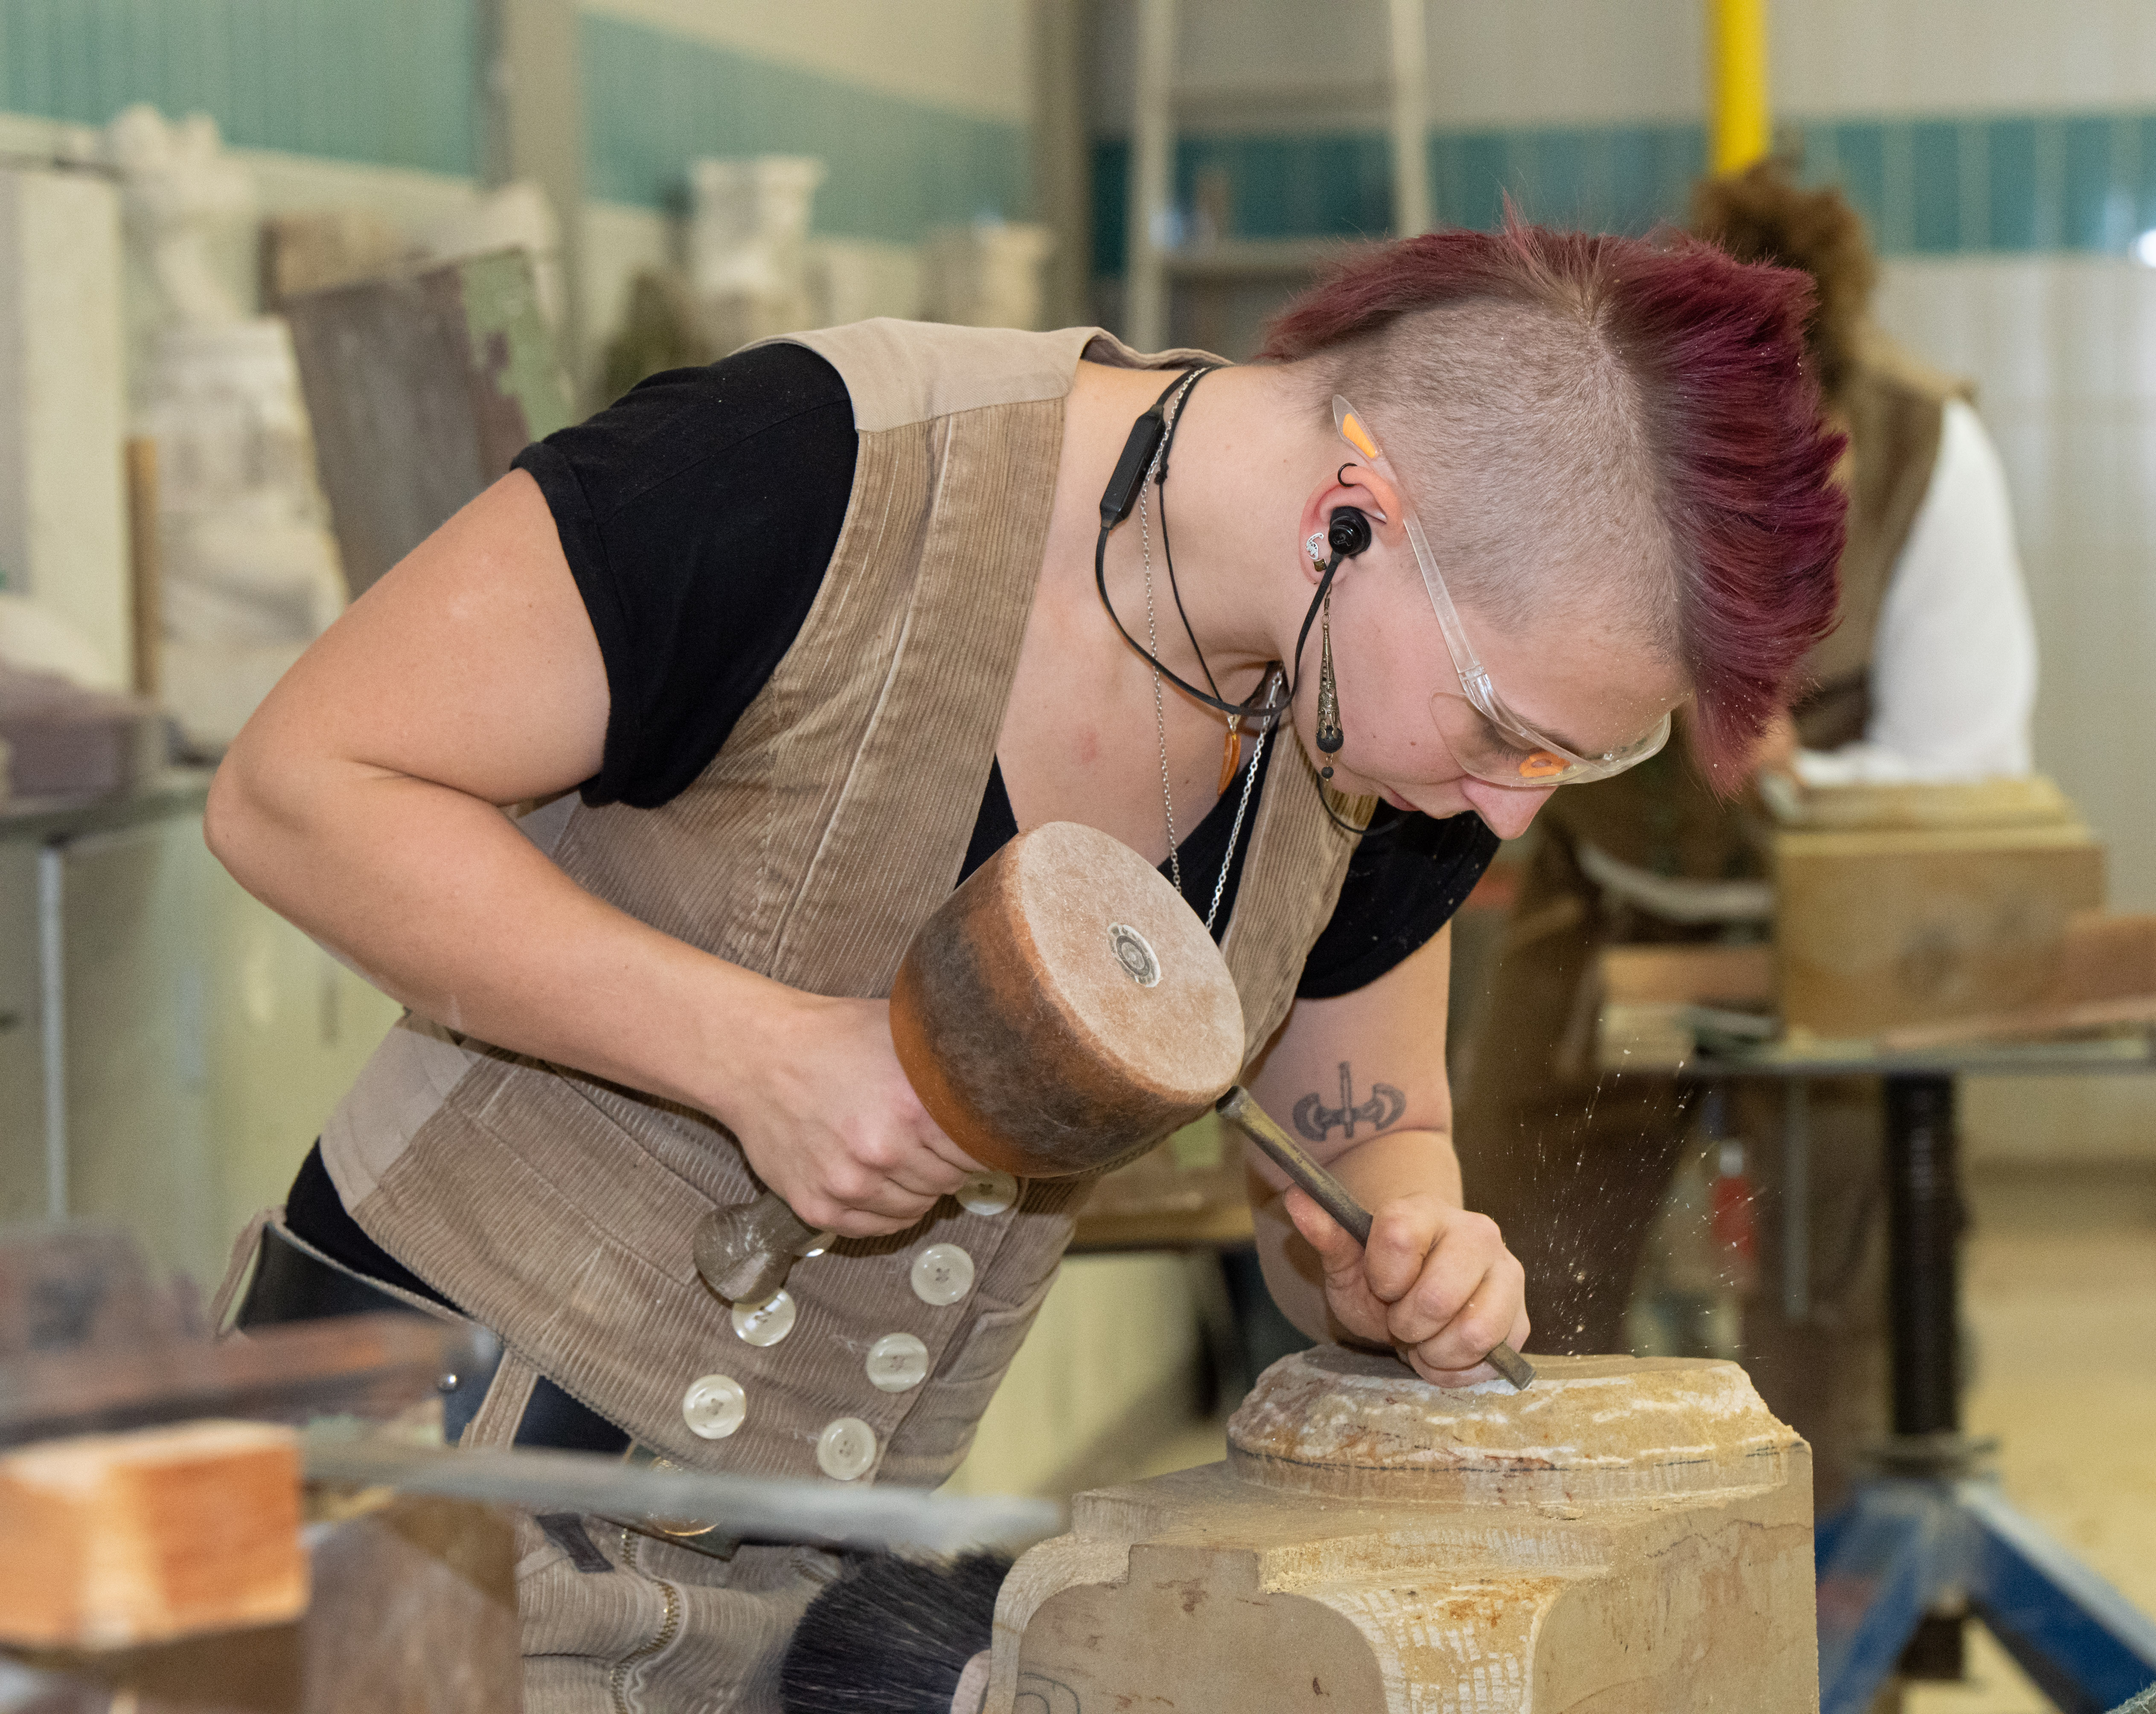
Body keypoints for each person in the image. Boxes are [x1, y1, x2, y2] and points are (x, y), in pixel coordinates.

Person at [205, 217, 1846, 1708]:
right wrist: (757, 1057)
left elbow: (1363, 1129)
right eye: (1504, 730)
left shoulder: (1382, 758)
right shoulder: (811, 471)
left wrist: (1390, 1245)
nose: (1505, 805)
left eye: (1570, 762)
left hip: (799, 1591)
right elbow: (297, 789)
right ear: (1355, 515)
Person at [1454, 163, 2037, 1513]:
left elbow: (1972, 760)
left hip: (1823, 932)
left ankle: (1835, 1632)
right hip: (1609, 901)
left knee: (1832, 1321)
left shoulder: (1926, 456)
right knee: (1512, 1289)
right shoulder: (1603, 426)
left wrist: (1800, 774)